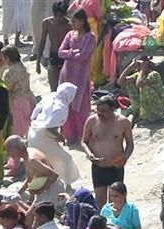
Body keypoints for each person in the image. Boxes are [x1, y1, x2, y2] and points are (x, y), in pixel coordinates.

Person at [82, 96, 135, 208]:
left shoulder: (123, 122)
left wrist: (125, 157)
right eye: (98, 110)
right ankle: (102, 219)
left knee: (116, 201)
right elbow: (84, 141)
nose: (100, 113)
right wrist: (89, 154)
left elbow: (130, 144)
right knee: (100, 201)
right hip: (98, 166)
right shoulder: (92, 121)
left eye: (104, 111)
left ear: (113, 109)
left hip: (116, 167)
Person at [57, 10, 96, 143]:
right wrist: (73, 52)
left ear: (82, 21)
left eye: (74, 21)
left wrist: (70, 54)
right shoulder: (70, 35)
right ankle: (70, 135)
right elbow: (60, 52)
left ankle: (84, 135)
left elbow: (83, 56)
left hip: (80, 77)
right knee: (66, 104)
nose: (71, 24)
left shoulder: (90, 37)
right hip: (66, 74)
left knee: (80, 105)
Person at [117, 54, 164, 125]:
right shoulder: (139, 74)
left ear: (146, 64)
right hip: (149, 108)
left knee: (144, 87)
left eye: (139, 65)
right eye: (136, 66)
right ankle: (139, 112)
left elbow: (139, 84)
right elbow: (120, 82)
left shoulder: (154, 74)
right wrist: (129, 67)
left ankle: (148, 117)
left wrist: (142, 69)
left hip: (159, 110)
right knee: (129, 84)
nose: (137, 68)